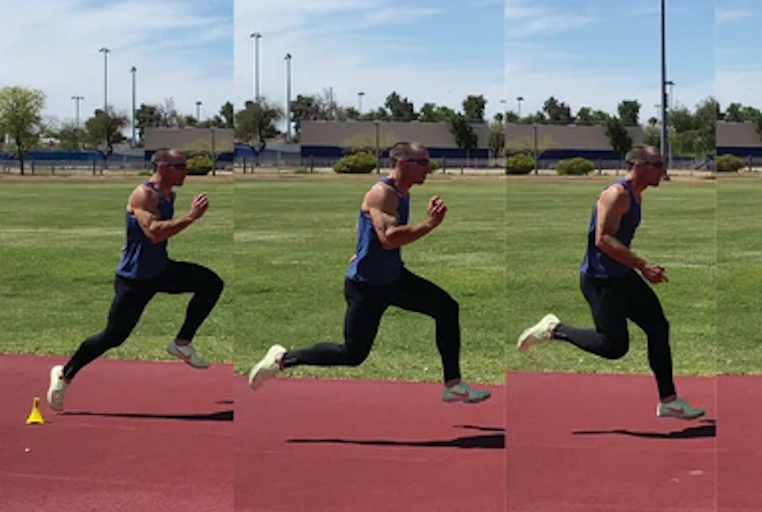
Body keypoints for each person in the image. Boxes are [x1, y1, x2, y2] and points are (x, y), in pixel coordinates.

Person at [248, 141, 491, 403]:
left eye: (428, 162)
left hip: (394, 279)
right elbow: (388, 238)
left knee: (446, 308)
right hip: (366, 287)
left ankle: (453, 384)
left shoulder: (403, 192)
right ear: (401, 163)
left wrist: (361, 249)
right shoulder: (382, 192)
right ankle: (281, 359)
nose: (428, 169)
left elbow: (367, 228)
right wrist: (430, 224)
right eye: (422, 162)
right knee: (352, 355)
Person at [516, 145, 705, 420]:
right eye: (657, 165)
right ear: (638, 165)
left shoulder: (636, 194)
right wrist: (643, 265)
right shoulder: (617, 194)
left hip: (621, 275)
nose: (663, 170)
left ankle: (669, 400)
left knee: (657, 326)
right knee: (613, 347)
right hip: (601, 280)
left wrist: (636, 268)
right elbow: (602, 239)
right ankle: (554, 329)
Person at [46, 149, 225, 412]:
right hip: (135, 279)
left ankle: (181, 343)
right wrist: (191, 218)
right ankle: (64, 374)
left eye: (185, 166)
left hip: (160, 271)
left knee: (211, 283)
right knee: (113, 336)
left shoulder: (168, 194)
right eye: (179, 166)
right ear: (162, 167)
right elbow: (153, 233)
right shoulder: (144, 194)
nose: (185, 171)